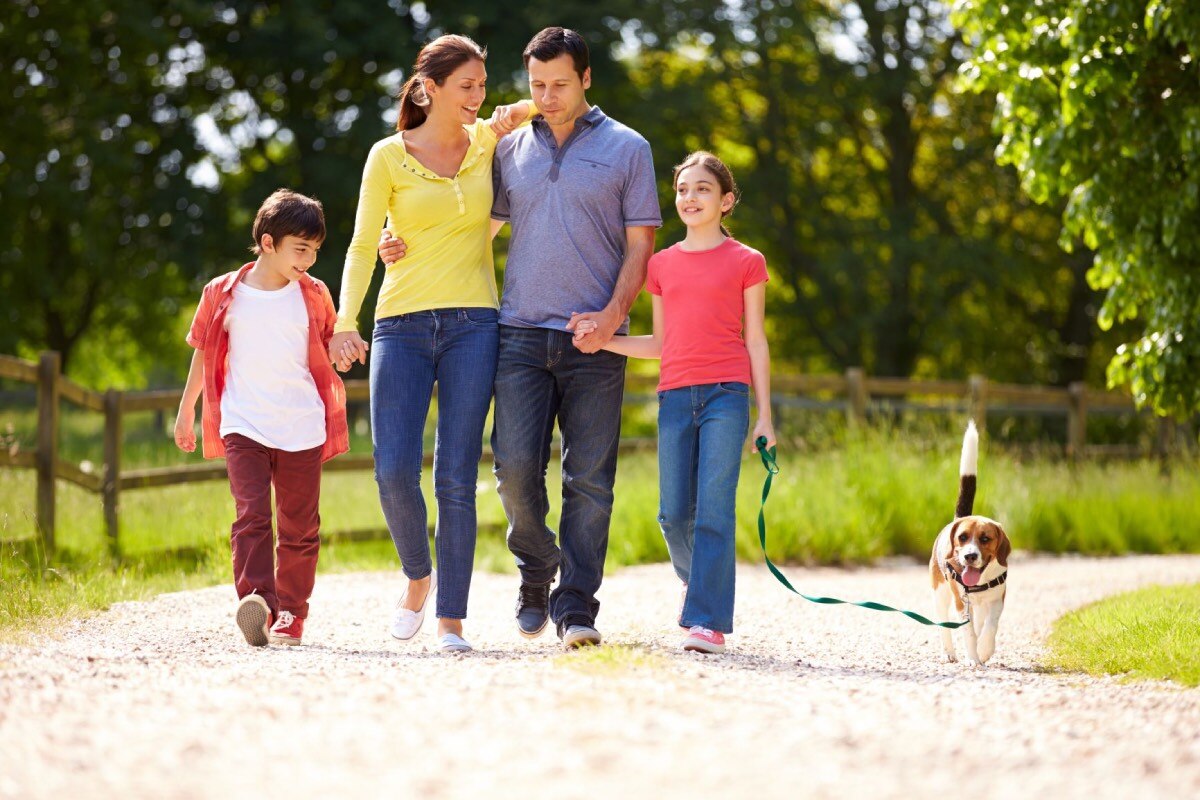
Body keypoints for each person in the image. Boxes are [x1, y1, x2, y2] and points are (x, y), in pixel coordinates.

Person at [378, 26, 661, 649]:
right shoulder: (506, 150)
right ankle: (537, 565)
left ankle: (576, 608)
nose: (549, 96)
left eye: (561, 84)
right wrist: (395, 244)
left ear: (586, 79)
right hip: (518, 333)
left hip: (597, 339)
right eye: (537, 85)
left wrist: (614, 316)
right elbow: (471, 227)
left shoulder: (628, 148)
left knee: (589, 479)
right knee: (512, 471)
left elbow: (642, 243)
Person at [328, 34, 534, 653]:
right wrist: (345, 320)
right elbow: (365, 244)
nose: (479, 94)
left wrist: (512, 112)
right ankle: (418, 575)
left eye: (482, 83)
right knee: (392, 470)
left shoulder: (488, 140)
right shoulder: (388, 155)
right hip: (401, 324)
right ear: (431, 88)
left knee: (454, 477)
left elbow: (550, 101)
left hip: (476, 323)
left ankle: (452, 620)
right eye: (466, 85)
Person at [572, 151, 774, 655]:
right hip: (675, 396)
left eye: (703, 189)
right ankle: (696, 582)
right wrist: (604, 338)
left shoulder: (747, 261)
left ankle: (706, 621)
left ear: (725, 201)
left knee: (713, 509)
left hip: (728, 395)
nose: (690, 197)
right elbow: (659, 345)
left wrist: (765, 415)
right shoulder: (661, 265)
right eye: (683, 189)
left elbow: (757, 341)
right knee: (672, 514)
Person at [174, 189, 348, 648]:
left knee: (299, 525)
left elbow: (330, 343)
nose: (309, 260)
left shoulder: (314, 295)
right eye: (301, 249)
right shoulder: (223, 293)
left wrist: (344, 348)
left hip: (301, 424)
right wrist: (186, 410)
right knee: (251, 514)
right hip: (243, 422)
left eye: (315, 250)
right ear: (269, 243)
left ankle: (291, 611)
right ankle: (257, 600)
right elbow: (202, 352)